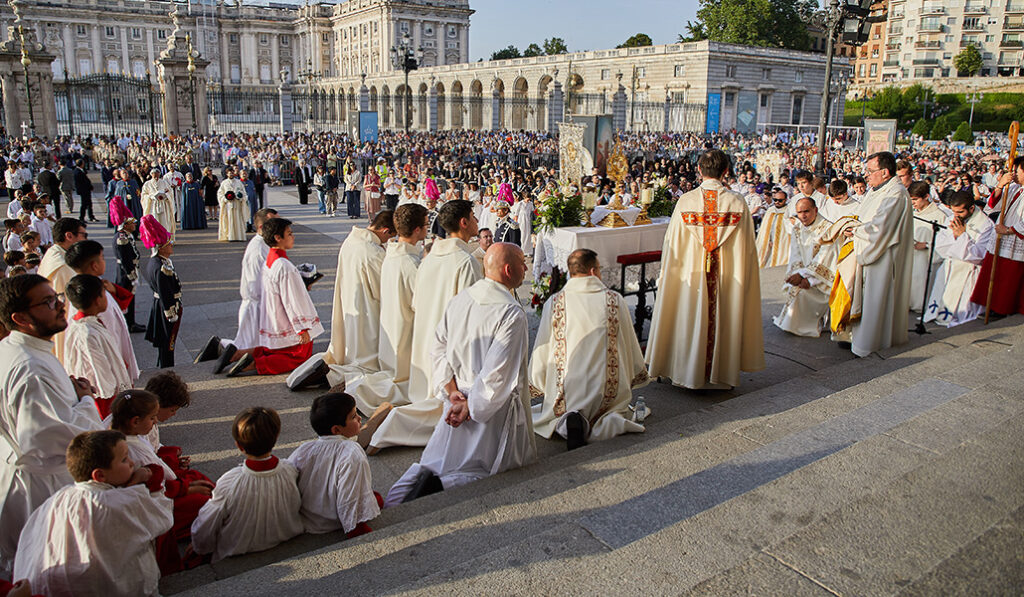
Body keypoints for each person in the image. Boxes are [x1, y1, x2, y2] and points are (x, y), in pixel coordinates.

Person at [384, 243, 535, 506]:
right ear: (509, 269)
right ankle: (439, 486)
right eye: (523, 263)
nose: (526, 268)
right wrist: (472, 407)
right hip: (488, 408)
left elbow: (438, 347)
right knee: (483, 467)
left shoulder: (462, 298)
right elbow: (496, 374)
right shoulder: (510, 313)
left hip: (457, 397)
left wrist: (451, 390)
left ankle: (420, 483)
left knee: (446, 456)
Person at [0, 274, 104, 570]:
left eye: (56, 296)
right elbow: (51, 438)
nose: (61, 305)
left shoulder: (19, 349)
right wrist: (85, 401)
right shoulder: (30, 369)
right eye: (48, 302)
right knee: (54, 565)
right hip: (43, 485)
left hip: (32, 476)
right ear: (20, 317)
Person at [367, 200, 483, 451]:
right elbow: (471, 314)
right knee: (446, 407)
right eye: (473, 217)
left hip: (426, 339)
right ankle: (391, 424)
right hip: (448, 345)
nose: (476, 221)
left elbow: (418, 303)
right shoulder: (465, 262)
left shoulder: (430, 258)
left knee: (430, 395)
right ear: (463, 223)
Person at [646, 149, 764, 390]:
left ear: (699, 170)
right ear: (726, 171)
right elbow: (748, 251)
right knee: (723, 314)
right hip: (727, 277)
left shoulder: (686, 201)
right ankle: (720, 375)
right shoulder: (737, 202)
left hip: (692, 276)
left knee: (688, 314)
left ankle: (684, 372)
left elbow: (672, 248)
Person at [12, 430, 173, 597]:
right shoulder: (117, 501)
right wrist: (137, 485)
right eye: (125, 459)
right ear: (100, 475)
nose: (132, 463)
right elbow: (163, 517)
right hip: (100, 587)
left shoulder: (57, 498)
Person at [530, 249, 649, 450]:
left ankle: (569, 420)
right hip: (604, 389)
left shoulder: (556, 302)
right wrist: (636, 372)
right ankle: (605, 419)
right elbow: (628, 344)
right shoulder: (614, 299)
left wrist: (538, 380)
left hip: (566, 389)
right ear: (593, 271)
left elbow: (543, 349)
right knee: (612, 410)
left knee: (558, 409)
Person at [288, 211, 395, 390]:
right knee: (367, 362)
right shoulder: (373, 252)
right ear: (385, 231)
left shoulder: (352, 240)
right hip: (368, 308)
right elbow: (383, 289)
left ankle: (323, 370)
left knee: (350, 350)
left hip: (350, 301)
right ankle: (332, 375)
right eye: (391, 236)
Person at [341, 205, 426, 414]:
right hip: (391, 320)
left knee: (392, 371)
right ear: (417, 229)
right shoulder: (406, 262)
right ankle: (360, 392)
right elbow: (424, 304)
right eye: (425, 225)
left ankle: (358, 389)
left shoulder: (388, 254)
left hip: (386, 317)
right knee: (407, 384)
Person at [190, 407, 303, 563]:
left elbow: (207, 522)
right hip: (285, 536)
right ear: (276, 437)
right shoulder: (290, 470)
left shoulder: (229, 482)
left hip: (238, 549)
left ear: (239, 446)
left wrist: (199, 547)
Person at [215, 218, 324, 377]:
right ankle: (253, 364)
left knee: (272, 348)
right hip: (286, 318)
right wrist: (302, 328)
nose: (293, 237)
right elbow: (292, 300)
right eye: (289, 233)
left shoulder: (271, 259)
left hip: (273, 314)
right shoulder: (285, 267)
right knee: (298, 355)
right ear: (277, 238)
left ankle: (238, 354)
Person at [109, 390, 212, 553]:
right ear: (135, 421)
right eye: (151, 418)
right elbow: (153, 487)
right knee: (205, 502)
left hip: (168, 487)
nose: (155, 421)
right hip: (157, 500)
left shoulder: (130, 434)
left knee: (198, 480)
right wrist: (187, 488)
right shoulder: (129, 451)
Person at [843, 152, 913, 357]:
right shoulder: (876, 190)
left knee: (875, 299)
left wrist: (855, 230)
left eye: (870, 171)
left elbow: (881, 228)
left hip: (882, 256)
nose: (866, 175)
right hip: (866, 248)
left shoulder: (896, 194)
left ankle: (869, 344)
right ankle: (855, 337)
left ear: (884, 172)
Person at [287, 393, 382, 536]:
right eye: (353, 417)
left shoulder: (304, 449)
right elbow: (348, 495)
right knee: (377, 499)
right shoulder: (352, 452)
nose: (359, 418)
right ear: (337, 430)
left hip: (308, 517)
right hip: (334, 520)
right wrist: (354, 527)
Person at [197, 208, 279, 363]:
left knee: (254, 346)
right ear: (262, 227)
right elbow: (256, 285)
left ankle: (221, 347)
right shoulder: (257, 250)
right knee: (249, 349)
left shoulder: (266, 245)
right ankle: (220, 347)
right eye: (275, 223)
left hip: (263, 305)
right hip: (257, 307)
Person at [63, 239, 139, 387]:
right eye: (102, 258)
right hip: (107, 366)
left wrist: (114, 290)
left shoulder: (94, 286)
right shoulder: (88, 299)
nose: (105, 261)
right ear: (94, 265)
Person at [62, 275, 132, 418]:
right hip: (103, 395)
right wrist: (114, 391)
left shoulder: (86, 324)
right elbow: (101, 371)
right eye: (104, 293)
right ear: (97, 300)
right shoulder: (87, 333)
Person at [924, 191, 994, 327]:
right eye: (954, 211)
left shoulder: (986, 225)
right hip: (950, 264)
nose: (956, 216)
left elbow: (979, 255)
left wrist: (962, 236)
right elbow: (941, 244)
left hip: (969, 269)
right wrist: (954, 237)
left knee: (960, 309)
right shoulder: (951, 217)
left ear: (971, 208)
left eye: (960, 212)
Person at [970, 157, 1024, 316]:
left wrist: (1008, 230)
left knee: (1009, 277)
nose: (1013, 174)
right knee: (996, 272)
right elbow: (993, 205)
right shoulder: (1013, 188)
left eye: (1017, 171)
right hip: (1002, 234)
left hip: (1014, 238)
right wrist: (1001, 185)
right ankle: (990, 304)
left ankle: (1002, 308)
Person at [772, 198, 833, 338]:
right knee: (795, 289)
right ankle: (794, 324)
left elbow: (825, 257)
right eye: (800, 212)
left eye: (807, 211)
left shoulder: (827, 228)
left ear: (815, 210)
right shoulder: (797, 228)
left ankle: (810, 325)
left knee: (801, 293)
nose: (803, 216)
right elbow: (795, 255)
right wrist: (797, 275)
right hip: (805, 274)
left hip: (823, 280)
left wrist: (809, 279)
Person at [37, 217, 87, 365]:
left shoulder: (54, 252)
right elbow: (68, 306)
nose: (85, 239)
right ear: (69, 236)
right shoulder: (63, 267)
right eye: (83, 235)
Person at [140, 215, 182, 368]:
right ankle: (167, 368)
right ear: (161, 247)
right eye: (168, 243)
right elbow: (165, 292)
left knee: (166, 343)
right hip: (166, 309)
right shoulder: (161, 267)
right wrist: (171, 312)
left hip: (161, 305)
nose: (171, 245)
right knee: (167, 343)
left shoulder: (160, 262)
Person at [908, 181, 947, 312]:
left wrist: (927, 244)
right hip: (911, 256)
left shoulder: (939, 216)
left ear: (926, 196)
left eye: (915, 199)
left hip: (927, 258)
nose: (913, 203)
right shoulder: (911, 213)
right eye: (911, 199)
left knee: (922, 284)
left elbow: (945, 241)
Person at [754, 188, 791, 268]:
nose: (777, 202)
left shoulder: (789, 212)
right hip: (768, 243)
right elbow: (764, 228)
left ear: (785, 200)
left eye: (780, 200)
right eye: (775, 200)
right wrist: (768, 240)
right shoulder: (770, 210)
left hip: (782, 244)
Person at [141, 169, 176, 239]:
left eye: (157, 175)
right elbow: (144, 195)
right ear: (151, 175)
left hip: (163, 205)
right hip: (152, 206)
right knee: (154, 222)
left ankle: (165, 238)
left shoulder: (164, 183)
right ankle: (154, 238)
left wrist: (166, 195)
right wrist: (151, 196)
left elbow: (170, 192)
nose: (156, 177)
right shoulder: (147, 184)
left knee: (164, 222)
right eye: (154, 175)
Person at [217, 167, 247, 242]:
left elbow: (243, 192)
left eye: (232, 172)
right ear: (227, 174)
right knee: (229, 220)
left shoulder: (238, 182)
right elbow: (220, 194)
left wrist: (240, 196)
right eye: (229, 173)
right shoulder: (224, 183)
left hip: (237, 204)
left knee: (238, 219)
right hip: (229, 205)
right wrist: (225, 198)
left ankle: (239, 236)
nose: (231, 174)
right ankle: (230, 236)